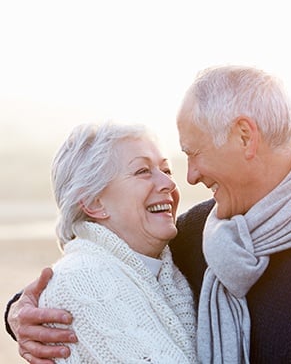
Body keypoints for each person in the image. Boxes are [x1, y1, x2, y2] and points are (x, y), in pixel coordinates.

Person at [5, 65, 291, 363]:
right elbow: (104, 271)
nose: (189, 177)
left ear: (245, 137)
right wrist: (19, 313)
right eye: (146, 170)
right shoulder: (200, 232)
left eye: (193, 153)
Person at [4, 121, 197, 363]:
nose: (169, 184)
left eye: (167, 171)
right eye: (143, 171)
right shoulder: (82, 278)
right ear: (94, 203)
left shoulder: (164, 269)